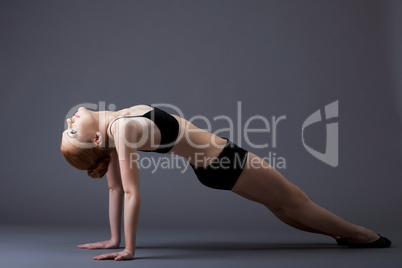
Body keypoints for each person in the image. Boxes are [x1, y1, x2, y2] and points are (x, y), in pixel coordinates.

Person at [60, 104, 391, 261]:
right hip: (224, 160)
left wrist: (114, 238)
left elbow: (114, 188)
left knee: (280, 204)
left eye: (67, 128)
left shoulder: (117, 126)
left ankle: (341, 234)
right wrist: (128, 248)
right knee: (295, 200)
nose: (70, 121)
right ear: (98, 138)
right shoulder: (120, 130)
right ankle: (362, 235)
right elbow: (129, 191)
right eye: (73, 132)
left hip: (213, 167)